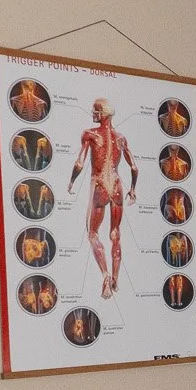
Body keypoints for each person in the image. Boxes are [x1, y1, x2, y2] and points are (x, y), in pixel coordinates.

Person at [69, 99, 136, 299]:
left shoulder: (90, 134)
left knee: (92, 233)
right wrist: (132, 189)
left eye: (95, 110)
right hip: (116, 186)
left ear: (103, 114)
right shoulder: (121, 137)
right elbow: (134, 167)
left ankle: (106, 275)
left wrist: (71, 181)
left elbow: (80, 163)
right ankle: (116, 278)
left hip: (100, 185)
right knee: (115, 234)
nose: (92, 113)